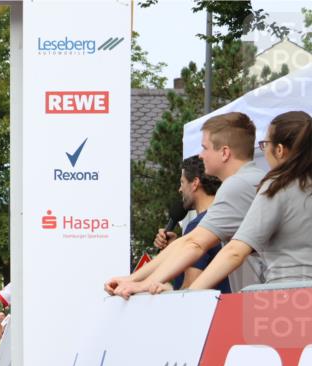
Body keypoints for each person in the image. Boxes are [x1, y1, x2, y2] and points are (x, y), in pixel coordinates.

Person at [106, 112, 264, 298]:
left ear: (225, 152)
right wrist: (134, 279)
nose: (200, 155)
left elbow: (195, 244)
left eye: (205, 148)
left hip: (271, 300)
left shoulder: (238, 185)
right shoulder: (251, 180)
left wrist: (143, 284)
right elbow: (186, 242)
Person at [183, 111, 312, 290]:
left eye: (265, 144)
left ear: (280, 150)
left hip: (287, 296)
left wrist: (190, 293)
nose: (264, 150)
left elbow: (235, 252)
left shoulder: (277, 187)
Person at [152, 157, 228, 292]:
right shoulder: (226, 218)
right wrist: (176, 248)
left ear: (195, 183)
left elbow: (191, 289)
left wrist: (167, 290)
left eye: (182, 182)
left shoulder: (199, 227)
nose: (180, 189)